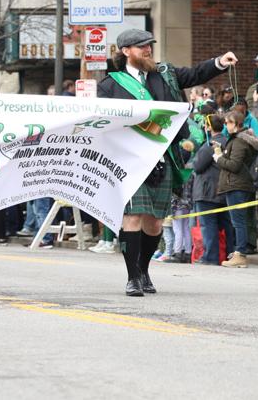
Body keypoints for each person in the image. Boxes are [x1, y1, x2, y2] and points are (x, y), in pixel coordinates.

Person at [98, 28, 236, 296]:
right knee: (133, 217)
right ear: (126, 52)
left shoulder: (166, 74)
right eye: (141, 47)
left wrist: (220, 62)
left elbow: (196, 74)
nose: (148, 50)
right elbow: (102, 122)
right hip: (129, 160)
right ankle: (132, 277)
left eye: (149, 45)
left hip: (163, 157)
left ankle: (144, 269)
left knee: (155, 222)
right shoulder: (110, 85)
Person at [215, 110, 258, 268]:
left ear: (237, 124)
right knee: (238, 221)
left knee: (238, 222)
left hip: (236, 185)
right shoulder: (236, 140)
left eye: (228, 122)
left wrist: (219, 158)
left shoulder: (239, 142)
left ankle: (240, 254)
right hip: (237, 185)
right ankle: (239, 253)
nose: (226, 125)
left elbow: (234, 166)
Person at [192, 113, 230, 265]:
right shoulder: (227, 141)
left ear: (209, 127)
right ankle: (226, 255)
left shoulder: (211, 144)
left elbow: (198, 165)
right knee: (225, 225)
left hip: (207, 192)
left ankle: (210, 257)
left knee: (209, 226)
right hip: (223, 190)